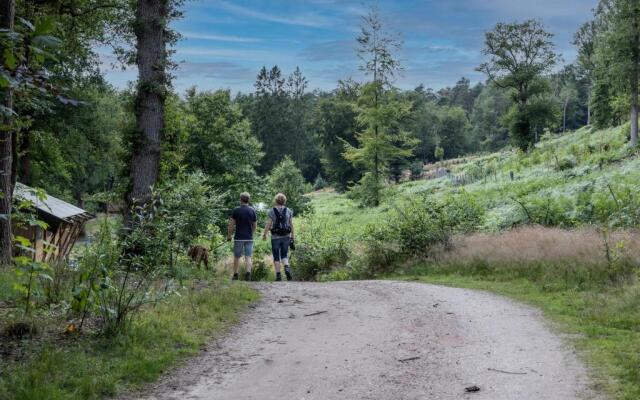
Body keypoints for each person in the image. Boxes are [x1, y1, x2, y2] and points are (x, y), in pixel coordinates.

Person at [263, 193, 294, 281]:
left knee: (276, 256)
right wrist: (292, 237)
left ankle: (278, 275)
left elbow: (268, 224)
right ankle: (287, 268)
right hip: (286, 236)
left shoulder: (271, 211)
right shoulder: (288, 211)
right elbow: (291, 225)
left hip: (275, 237)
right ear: (284, 201)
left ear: (276, 201)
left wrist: (264, 234)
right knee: (284, 255)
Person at [228, 192, 257, 281]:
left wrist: (229, 236)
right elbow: (255, 225)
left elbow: (231, 225)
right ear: (248, 200)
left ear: (241, 199)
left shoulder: (236, 210)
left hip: (238, 238)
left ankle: (236, 274)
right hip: (249, 237)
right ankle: (248, 274)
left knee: (237, 257)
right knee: (248, 256)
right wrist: (251, 233)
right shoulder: (252, 210)